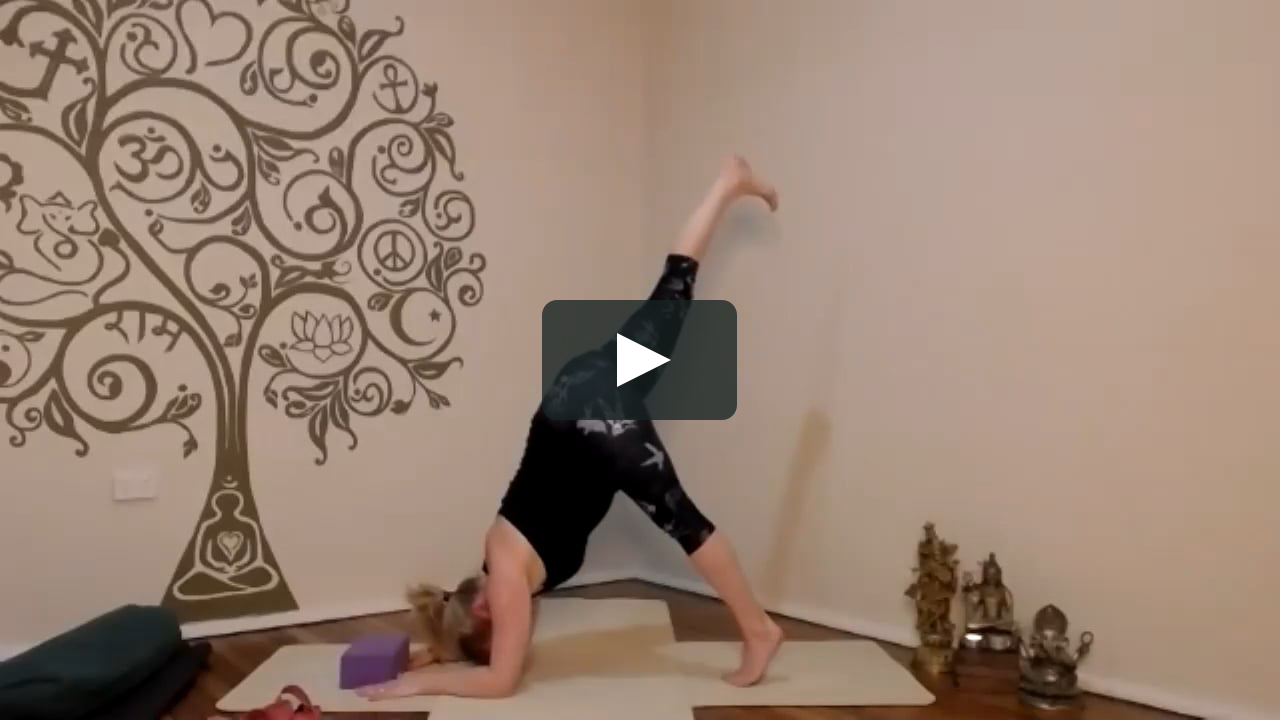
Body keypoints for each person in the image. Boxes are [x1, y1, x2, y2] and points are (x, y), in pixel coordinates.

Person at [358, 155, 783, 701]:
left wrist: (420, 684)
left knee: (685, 523)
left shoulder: (505, 583)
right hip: (580, 384)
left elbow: (499, 681)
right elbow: (470, 631)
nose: (522, 636)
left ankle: (759, 630)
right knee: (672, 292)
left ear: (485, 610)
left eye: (507, 635)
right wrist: (438, 650)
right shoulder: (497, 565)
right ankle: (728, 183)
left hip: (594, 425)